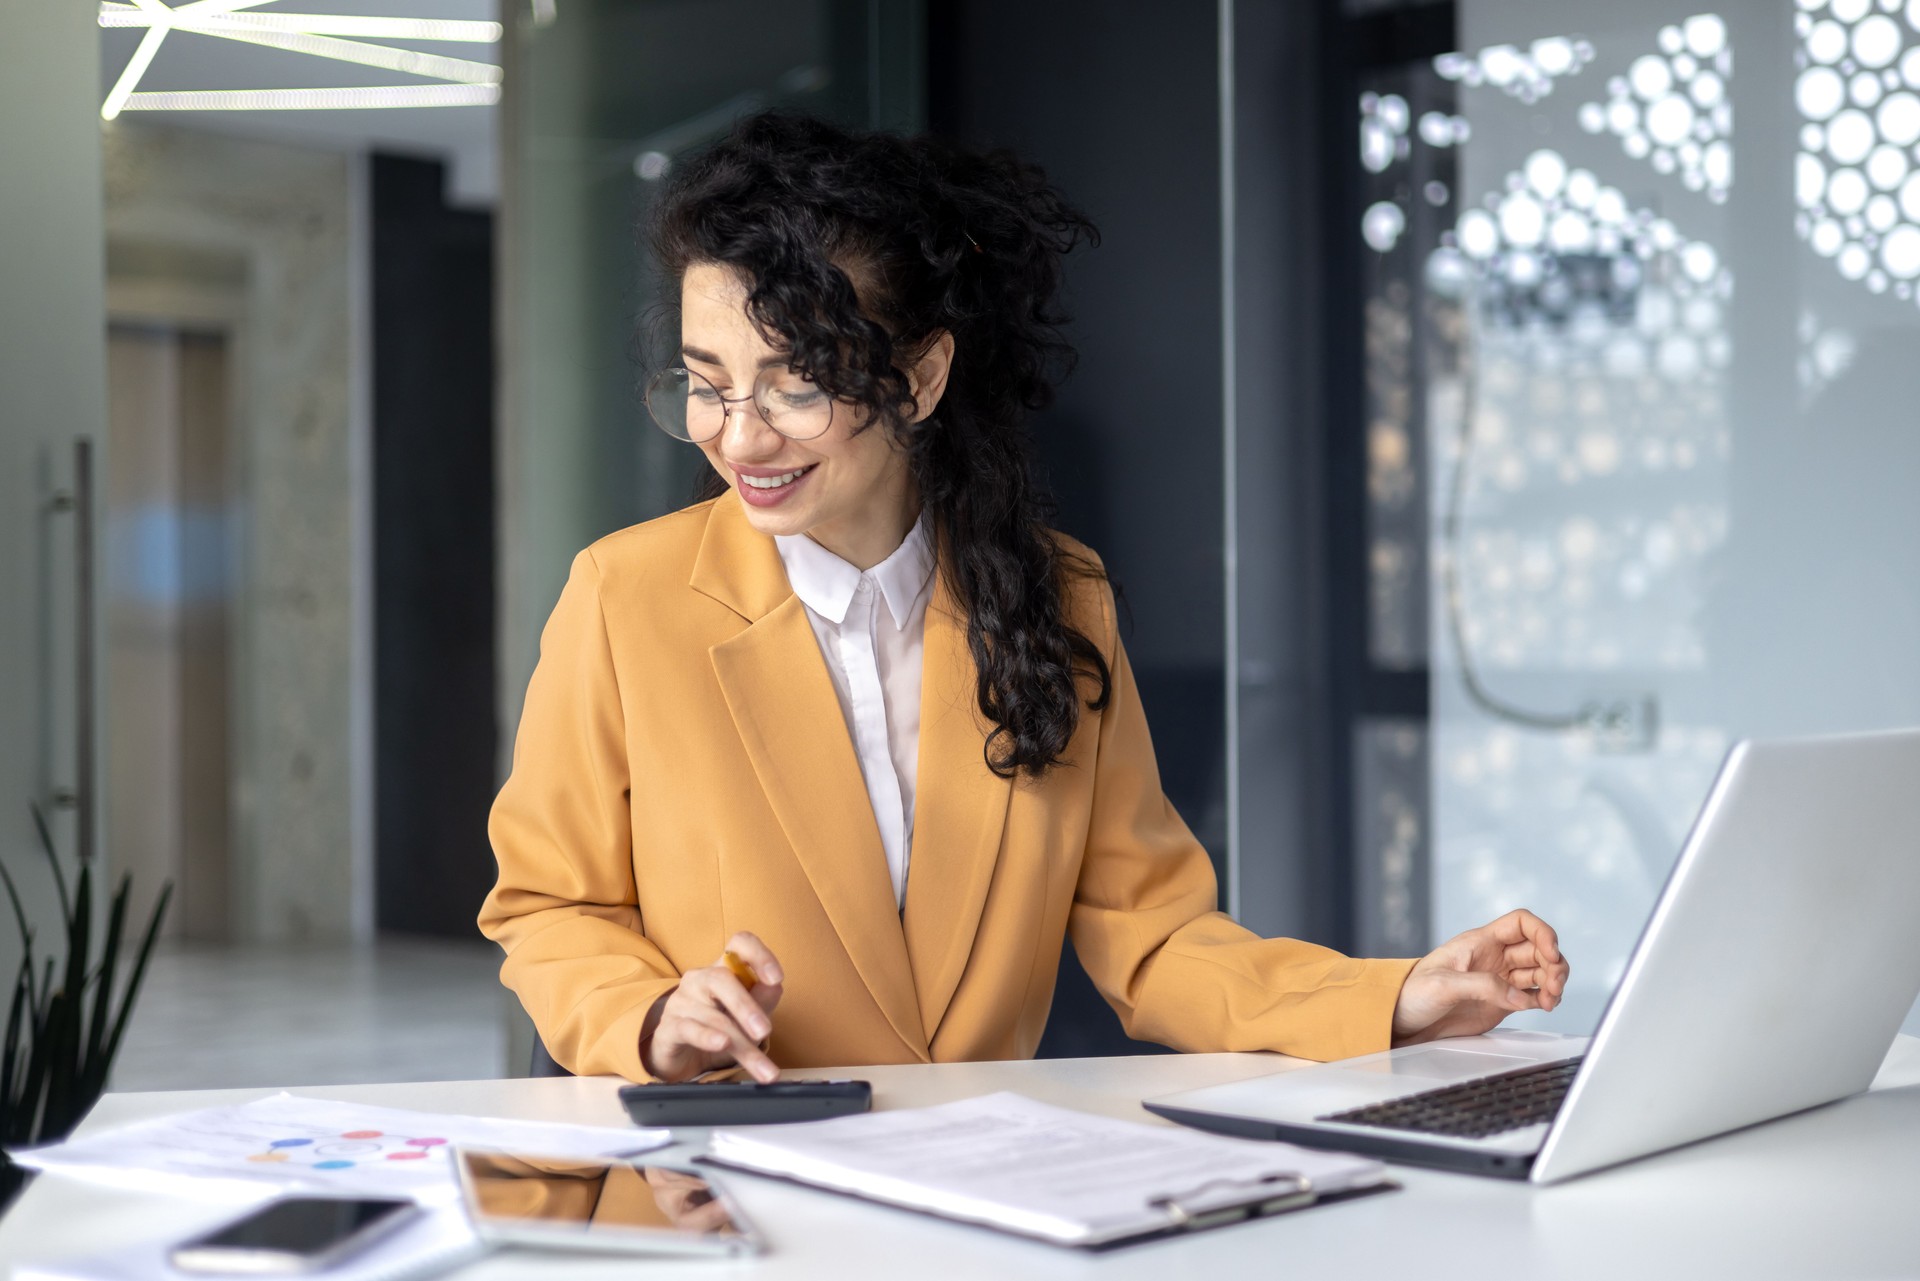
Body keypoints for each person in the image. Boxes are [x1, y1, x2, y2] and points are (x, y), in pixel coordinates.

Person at [478, 112, 1568, 1084]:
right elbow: (548, 907)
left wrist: (1397, 997)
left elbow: (1153, 938)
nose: (740, 435)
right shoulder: (626, 599)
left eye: (796, 385)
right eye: (706, 383)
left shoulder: (1058, 600)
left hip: (974, 1198)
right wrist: (653, 1014)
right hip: (724, 1203)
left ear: (920, 377)